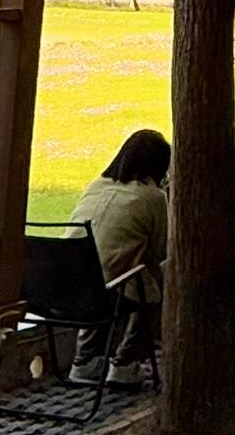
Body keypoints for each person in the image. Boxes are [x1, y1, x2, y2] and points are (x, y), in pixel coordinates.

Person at [68, 127, 170, 385]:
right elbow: (158, 252)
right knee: (152, 281)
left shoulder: (95, 186)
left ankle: (85, 359)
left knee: (103, 275)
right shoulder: (153, 197)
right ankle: (126, 361)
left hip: (65, 288)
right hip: (107, 292)